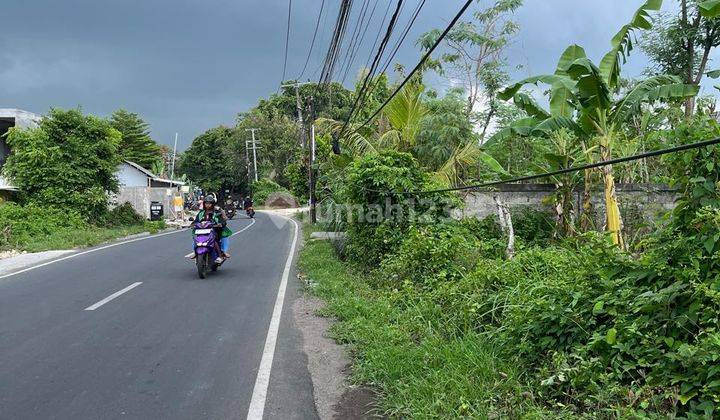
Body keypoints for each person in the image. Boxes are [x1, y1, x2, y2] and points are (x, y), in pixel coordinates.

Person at [192, 194, 232, 263]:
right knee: (196, 239)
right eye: (206, 203)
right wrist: (192, 224)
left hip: (213, 230)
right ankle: (195, 253)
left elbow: (223, 221)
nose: (208, 205)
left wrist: (220, 224)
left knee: (214, 240)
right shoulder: (201, 213)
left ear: (212, 204)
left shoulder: (216, 212)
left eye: (209, 203)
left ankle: (220, 256)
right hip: (202, 231)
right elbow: (196, 221)